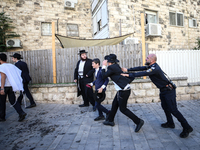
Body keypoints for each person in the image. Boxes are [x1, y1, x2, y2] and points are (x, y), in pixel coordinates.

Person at [121, 53, 193, 138]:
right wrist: (128, 69)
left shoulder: (154, 68)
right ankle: (170, 123)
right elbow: (141, 68)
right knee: (165, 107)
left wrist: (128, 74)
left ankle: (187, 127)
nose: (145, 59)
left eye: (147, 58)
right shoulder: (151, 66)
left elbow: (143, 73)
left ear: (151, 60)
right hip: (163, 90)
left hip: (168, 91)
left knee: (173, 110)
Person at [101, 54, 144, 132]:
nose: (106, 62)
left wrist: (103, 66)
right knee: (114, 105)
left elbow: (103, 76)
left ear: (109, 62)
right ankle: (110, 120)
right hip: (122, 90)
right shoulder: (115, 66)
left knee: (123, 109)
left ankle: (138, 121)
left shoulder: (112, 67)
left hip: (124, 91)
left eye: (107, 61)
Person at [0, 53, 27, 122]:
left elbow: (3, 77)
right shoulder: (11, 66)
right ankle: (21, 113)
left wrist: (2, 88)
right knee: (13, 101)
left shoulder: (2, 67)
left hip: (4, 86)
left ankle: (2, 117)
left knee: (2, 102)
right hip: (12, 86)